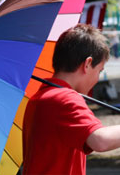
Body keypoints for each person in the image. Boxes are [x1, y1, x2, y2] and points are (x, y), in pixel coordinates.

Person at [22, 24, 115, 174]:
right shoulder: (64, 98)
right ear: (88, 64)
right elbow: (100, 141)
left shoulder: (38, 98)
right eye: (99, 71)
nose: (97, 78)